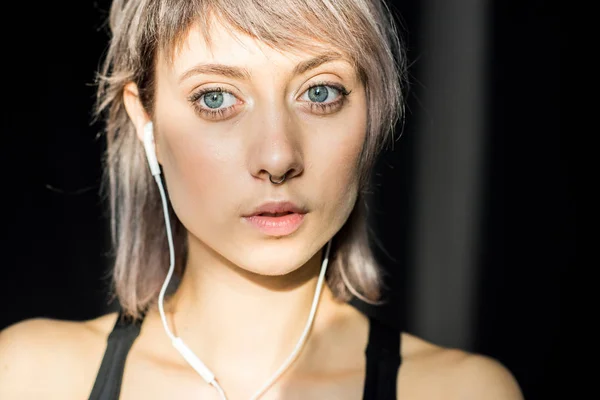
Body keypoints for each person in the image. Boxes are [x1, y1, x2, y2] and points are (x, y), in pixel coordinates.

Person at [0, 0, 524, 398]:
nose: (277, 156)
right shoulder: (31, 376)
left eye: (320, 92)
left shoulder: (460, 391)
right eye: (216, 98)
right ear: (147, 120)